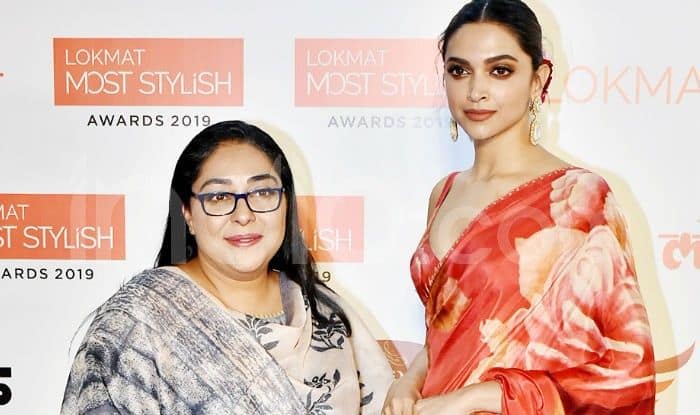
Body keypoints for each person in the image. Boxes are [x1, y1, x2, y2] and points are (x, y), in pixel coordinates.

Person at [382, 1, 656, 414]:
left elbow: (629, 367)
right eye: (459, 71)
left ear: (537, 80)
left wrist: (478, 397)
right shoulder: (443, 193)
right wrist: (409, 380)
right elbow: (449, 334)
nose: (476, 90)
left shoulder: (579, 196)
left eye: (500, 70)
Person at [61, 120, 392, 414]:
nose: (244, 214)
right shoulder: (138, 326)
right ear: (188, 214)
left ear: (285, 203)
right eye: (219, 197)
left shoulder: (326, 314)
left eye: (263, 192)